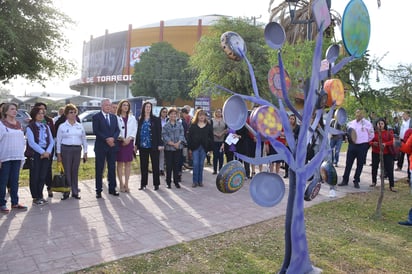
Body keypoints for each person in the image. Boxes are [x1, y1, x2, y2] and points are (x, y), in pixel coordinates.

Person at [56, 104, 88, 200]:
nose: (73, 114)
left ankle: (75, 191)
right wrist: (58, 154)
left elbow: (84, 139)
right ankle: (66, 191)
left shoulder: (80, 126)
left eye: (75, 112)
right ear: (66, 114)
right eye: (71, 112)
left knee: (75, 170)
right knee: (67, 171)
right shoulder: (62, 126)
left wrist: (85, 152)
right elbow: (58, 141)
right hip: (66, 149)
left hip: (77, 150)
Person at [0, 103, 27, 212]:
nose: (15, 111)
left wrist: (22, 155)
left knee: (15, 181)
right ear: (5, 111)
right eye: (12, 109)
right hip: (5, 157)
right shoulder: (1, 125)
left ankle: (15, 203)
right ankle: (1, 203)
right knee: (3, 180)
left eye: (15, 109)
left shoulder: (19, 124)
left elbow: (22, 140)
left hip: (17, 156)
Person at [338, 109, 374, 188]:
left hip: (362, 146)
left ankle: (356, 181)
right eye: (357, 113)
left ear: (363, 114)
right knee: (348, 163)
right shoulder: (351, 123)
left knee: (360, 164)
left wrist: (366, 142)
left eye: (360, 113)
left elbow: (371, 135)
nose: (358, 115)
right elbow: (348, 133)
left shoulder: (367, 124)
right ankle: (345, 180)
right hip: (352, 145)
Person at [26, 106, 55, 205]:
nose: (41, 115)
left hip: (46, 154)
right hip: (36, 154)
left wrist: (47, 152)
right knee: (35, 176)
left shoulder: (46, 126)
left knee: (43, 176)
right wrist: (42, 152)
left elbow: (51, 141)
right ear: (34, 115)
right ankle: (35, 196)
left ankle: (40, 195)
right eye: (39, 113)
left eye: (43, 113)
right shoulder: (30, 127)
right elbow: (31, 143)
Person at [92, 98, 120, 198]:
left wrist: (113, 138)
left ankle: (112, 188)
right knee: (99, 169)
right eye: (107, 105)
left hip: (112, 147)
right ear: (102, 106)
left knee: (112, 168)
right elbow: (96, 131)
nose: (109, 107)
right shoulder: (96, 117)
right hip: (101, 146)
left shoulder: (114, 117)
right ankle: (98, 190)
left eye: (110, 105)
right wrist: (106, 139)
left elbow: (117, 130)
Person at [135, 101, 162, 190]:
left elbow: (159, 133)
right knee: (143, 166)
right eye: (146, 107)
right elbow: (138, 133)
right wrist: (136, 144)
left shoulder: (156, 119)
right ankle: (143, 184)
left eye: (149, 107)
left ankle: (156, 184)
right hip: (143, 146)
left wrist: (160, 144)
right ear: (144, 108)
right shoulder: (140, 119)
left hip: (153, 145)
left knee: (155, 165)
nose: (148, 108)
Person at [34, 102, 56, 198]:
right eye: (39, 109)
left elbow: (53, 136)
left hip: (48, 150)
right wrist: (42, 152)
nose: (41, 112)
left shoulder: (49, 121)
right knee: (38, 173)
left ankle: (49, 188)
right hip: (37, 151)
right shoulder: (32, 123)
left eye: (43, 110)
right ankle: (38, 193)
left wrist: (48, 151)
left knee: (47, 170)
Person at [187, 109, 213, 187]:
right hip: (195, 147)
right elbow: (189, 137)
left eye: (203, 115)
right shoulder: (193, 125)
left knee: (201, 164)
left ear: (205, 116)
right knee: (195, 164)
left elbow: (211, 137)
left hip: (204, 148)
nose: (202, 116)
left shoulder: (208, 125)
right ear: (197, 116)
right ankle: (194, 182)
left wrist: (210, 149)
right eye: (200, 115)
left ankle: (200, 181)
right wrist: (190, 148)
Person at [115, 99, 137, 193]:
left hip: (129, 142)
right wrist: (122, 139)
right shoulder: (116, 118)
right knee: (119, 163)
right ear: (121, 106)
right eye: (124, 105)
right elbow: (116, 130)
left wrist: (129, 139)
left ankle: (127, 184)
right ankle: (120, 183)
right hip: (120, 142)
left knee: (128, 164)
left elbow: (134, 130)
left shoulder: (132, 118)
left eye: (127, 105)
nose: (125, 107)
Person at [369, 118, 396, 191]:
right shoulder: (374, 133)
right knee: (374, 167)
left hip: (386, 153)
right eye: (379, 124)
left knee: (389, 169)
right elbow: (369, 141)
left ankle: (391, 185)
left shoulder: (388, 132)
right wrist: (373, 143)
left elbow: (392, 141)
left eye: (382, 124)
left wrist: (385, 144)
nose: (380, 125)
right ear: (376, 124)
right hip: (376, 152)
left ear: (384, 125)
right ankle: (374, 182)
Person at [162, 108, 186, 189]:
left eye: (175, 114)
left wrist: (178, 143)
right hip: (169, 149)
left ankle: (176, 182)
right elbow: (164, 136)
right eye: (171, 114)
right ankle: (168, 182)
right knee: (169, 166)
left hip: (178, 148)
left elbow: (182, 134)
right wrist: (172, 144)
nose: (173, 115)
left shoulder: (180, 124)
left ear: (177, 115)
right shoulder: (165, 125)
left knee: (176, 165)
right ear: (169, 115)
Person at [211, 108, 227, 174]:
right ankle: (214, 170)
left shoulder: (225, 120)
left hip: (222, 141)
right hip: (214, 140)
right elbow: (210, 130)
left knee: (221, 156)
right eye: (217, 112)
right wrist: (215, 134)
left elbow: (227, 129)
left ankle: (220, 169)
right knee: (215, 155)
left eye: (220, 112)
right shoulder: (212, 120)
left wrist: (222, 133)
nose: (218, 113)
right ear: (215, 113)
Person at [158, 107, 168, 176]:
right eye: (163, 112)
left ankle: (162, 168)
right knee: (160, 155)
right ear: (161, 112)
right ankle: (160, 169)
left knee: (165, 155)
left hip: (167, 140)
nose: (164, 113)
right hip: (160, 139)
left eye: (166, 112)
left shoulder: (168, 120)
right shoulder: (158, 120)